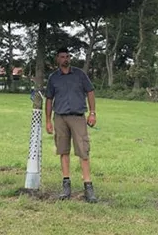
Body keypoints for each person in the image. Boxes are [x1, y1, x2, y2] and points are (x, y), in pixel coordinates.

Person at [45, 47, 98, 203]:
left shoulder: (80, 75)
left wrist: (93, 113)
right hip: (60, 117)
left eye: (68, 56)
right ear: (57, 59)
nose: (65, 59)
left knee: (83, 150)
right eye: (62, 57)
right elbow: (49, 99)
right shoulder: (53, 78)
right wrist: (48, 120)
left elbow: (90, 92)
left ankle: (88, 187)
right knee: (63, 150)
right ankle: (66, 186)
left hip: (78, 117)